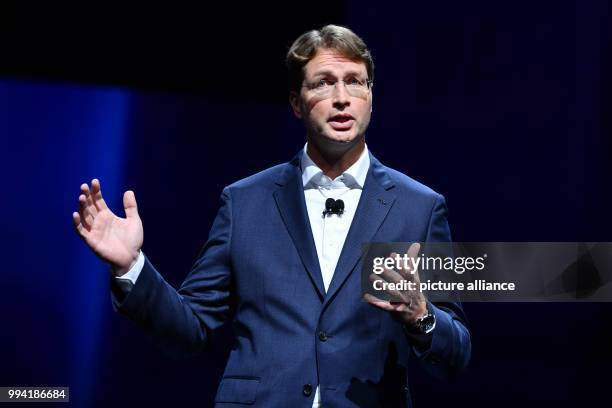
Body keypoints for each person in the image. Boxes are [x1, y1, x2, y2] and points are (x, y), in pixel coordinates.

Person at [72, 25, 471, 407]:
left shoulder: (419, 207)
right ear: (296, 103)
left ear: (370, 95)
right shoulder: (245, 202)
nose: (341, 97)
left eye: (355, 81)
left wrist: (422, 316)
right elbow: (188, 330)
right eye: (323, 82)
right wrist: (131, 267)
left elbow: (456, 354)